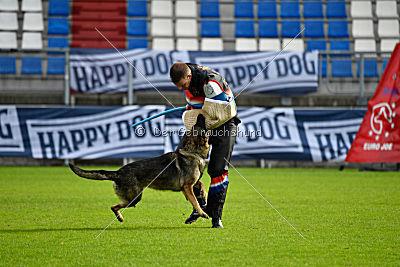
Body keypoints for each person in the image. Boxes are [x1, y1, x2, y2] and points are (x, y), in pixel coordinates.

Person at [169, 62, 241, 228]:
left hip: (224, 122)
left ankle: (216, 217)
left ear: (188, 76)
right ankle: (200, 206)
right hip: (203, 123)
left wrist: (197, 113)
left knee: (217, 170)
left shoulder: (211, 83)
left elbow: (216, 113)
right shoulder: (186, 76)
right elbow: (195, 107)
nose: (182, 89)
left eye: (183, 85)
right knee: (181, 164)